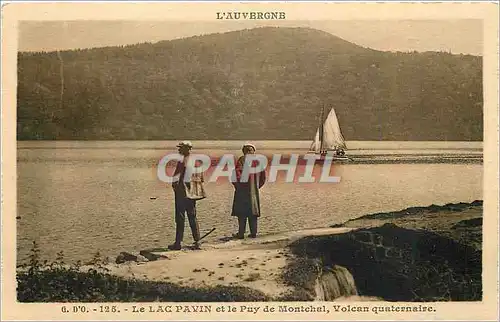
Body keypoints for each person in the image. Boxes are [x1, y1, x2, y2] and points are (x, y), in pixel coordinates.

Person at [168, 141, 206, 250]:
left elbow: (176, 178)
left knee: (180, 218)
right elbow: (201, 179)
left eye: (180, 148)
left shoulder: (182, 161)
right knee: (192, 216)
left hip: (182, 192)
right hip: (192, 193)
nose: (178, 150)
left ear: (186, 149)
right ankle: (197, 240)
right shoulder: (197, 162)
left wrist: (175, 187)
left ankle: (178, 243)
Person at [231, 143, 266, 239]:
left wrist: (238, 187)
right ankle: (253, 233)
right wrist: (256, 187)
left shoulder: (242, 160)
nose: (249, 152)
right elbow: (263, 178)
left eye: (249, 150)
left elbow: (235, 176)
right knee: (253, 213)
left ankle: (241, 234)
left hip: (242, 192)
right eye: (248, 150)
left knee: (242, 213)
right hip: (253, 192)